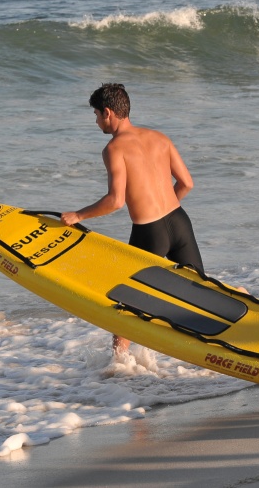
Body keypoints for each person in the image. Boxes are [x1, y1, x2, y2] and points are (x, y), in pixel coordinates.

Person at [61, 83, 204, 356]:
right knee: (202, 290)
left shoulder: (114, 148)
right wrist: (165, 207)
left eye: (96, 115)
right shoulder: (160, 137)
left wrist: (78, 215)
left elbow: (115, 200)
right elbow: (187, 183)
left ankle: (119, 364)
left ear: (108, 112)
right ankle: (242, 303)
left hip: (150, 231)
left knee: (126, 302)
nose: (96, 121)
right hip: (180, 222)